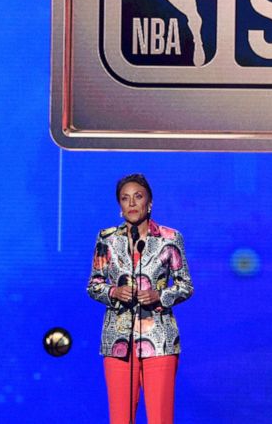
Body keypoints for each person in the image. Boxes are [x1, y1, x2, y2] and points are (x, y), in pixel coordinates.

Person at [88, 174, 194, 424]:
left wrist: (160, 295)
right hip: (118, 341)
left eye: (138, 197)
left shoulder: (170, 238)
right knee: (120, 418)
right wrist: (113, 292)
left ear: (149, 202)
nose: (132, 203)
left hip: (160, 340)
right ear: (120, 206)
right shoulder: (107, 239)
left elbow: (185, 285)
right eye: (125, 199)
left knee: (160, 418)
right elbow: (94, 285)